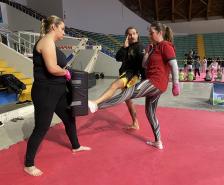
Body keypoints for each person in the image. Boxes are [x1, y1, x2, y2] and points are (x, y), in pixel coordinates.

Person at [90, 21, 180, 150]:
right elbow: (144, 65)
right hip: (155, 85)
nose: (149, 35)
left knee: (127, 93)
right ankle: (158, 141)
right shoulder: (153, 48)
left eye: (152, 33)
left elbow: (174, 65)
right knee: (150, 113)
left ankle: (97, 105)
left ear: (160, 33)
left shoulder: (165, 46)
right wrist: (148, 54)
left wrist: (176, 84)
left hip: (155, 82)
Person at [24, 15, 91, 177]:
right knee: (42, 127)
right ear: (53, 27)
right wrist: (67, 73)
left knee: (69, 117)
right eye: (62, 28)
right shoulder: (46, 42)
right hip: (45, 92)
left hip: (58, 90)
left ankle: (75, 145)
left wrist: (69, 72)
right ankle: (28, 164)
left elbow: (60, 65)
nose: (64, 31)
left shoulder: (52, 44)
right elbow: (53, 69)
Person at [89, 26, 145, 130]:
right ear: (126, 36)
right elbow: (118, 58)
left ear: (137, 34)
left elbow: (143, 64)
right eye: (129, 34)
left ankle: (96, 103)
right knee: (128, 101)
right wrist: (124, 47)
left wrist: (144, 79)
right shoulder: (128, 47)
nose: (132, 36)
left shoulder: (140, 47)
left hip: (131, 75)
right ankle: (135, 123)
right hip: (125, 73)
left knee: (114, 85)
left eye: (133, 33)